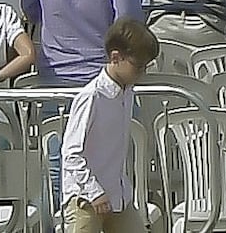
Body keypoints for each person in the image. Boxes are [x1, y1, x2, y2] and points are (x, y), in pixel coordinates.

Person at [58, 16, 155, 233]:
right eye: (138, 66)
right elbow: (71, 154)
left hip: (117, 193)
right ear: (115, 57)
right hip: (84, 198)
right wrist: (94, 191)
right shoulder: (92, 96)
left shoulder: (127, 92)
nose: (142, 73)